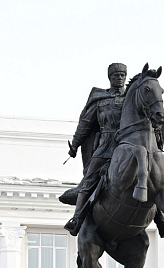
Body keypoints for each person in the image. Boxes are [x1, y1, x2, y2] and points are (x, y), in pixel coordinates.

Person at [63, 63, 127, 236]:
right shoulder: (100, 100)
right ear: (110, 77)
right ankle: (76, 218)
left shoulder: (132, 98)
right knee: (89, 180)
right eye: (116, 75)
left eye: (122, 75)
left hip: (128, 145)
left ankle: (162, 217)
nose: (120, 78)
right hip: (106, 145)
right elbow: (85, 124)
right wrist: (75, 145)